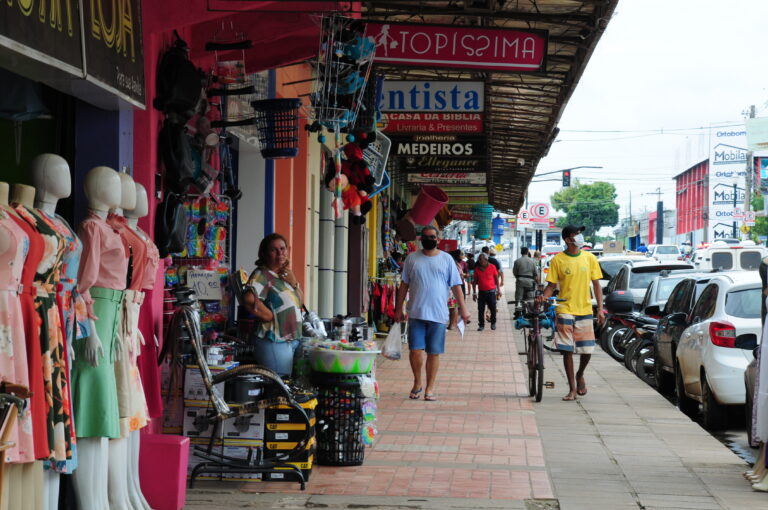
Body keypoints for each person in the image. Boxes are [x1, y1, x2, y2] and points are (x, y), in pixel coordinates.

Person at [394, 227, 470, 402]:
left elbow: (456, 286)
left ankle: (430, 388)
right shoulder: (411, 259)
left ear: (438, 239)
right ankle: (417, 382)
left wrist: (463, 310)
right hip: (415, 313)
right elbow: (404, 285)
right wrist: (399, 309)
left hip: (438, 315)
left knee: (433, 352)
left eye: (433, 237)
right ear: (421, 239)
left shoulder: (447, 259)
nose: (430, 239)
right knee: (415, 351)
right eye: (426, 237)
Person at [538, 225, 604, 401]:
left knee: (587, 350)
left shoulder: (589, 258)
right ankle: (572, 389)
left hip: (585, 309)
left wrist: (600, 309)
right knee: (567, 351)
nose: (580, 236)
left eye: (580, 233)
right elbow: (551, 285)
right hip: (564, 308)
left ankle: (580, 374)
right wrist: (544, 298)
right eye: (576, 234)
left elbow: (597, 285)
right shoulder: (557, 260)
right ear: (568, 239)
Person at [240, 233, 304, 377]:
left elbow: (300, 302)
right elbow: (248, 298)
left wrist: (294, 283)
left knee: (287, 385)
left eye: (282, 248)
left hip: (290, 340)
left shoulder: (283, 275)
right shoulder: (262, 274)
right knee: (279, 386)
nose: (280, 253)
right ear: (264, 254)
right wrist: (268, 316)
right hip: (273, 340)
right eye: (273, 250)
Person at [472, 253, 501, 331]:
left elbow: (496, 279)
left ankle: (493, 323)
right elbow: (474, 282)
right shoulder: (477, 269)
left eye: (481, 260)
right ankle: (481, 325)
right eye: (479, 260)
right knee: (480, 309)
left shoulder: (492, 267)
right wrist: (474, 293)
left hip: (491, 292)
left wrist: (499, 290)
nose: (480, 262)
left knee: (493, 308)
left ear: (486, 260)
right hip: (481, 292)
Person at [513, 247, 539, 313]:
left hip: (520, 281)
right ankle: (531, 312)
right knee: (530, 298)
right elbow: (536, 274)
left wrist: (519, 278)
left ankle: (518, 313)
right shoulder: (532, 261)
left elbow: (515, 272)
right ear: (527, 252)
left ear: (521, 252)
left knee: (519, 297)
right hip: (530, 282)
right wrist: (537, 283)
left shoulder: (517, 261)